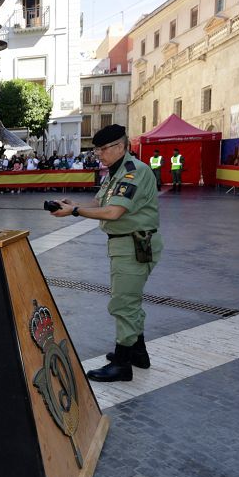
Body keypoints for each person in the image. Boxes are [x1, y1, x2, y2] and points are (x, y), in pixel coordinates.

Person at [50, 124, 162, 382]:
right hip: (125, 244)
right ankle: (138, 352)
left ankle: (123, 364)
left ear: (120, 147)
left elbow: (113, 213)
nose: (98, 154)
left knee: (123, 303)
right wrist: (72, 205)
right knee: (130, 300)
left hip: (134, 245)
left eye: (102, 149)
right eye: (96, 149)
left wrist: (75, 211)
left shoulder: (134, 173)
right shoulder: (116, 173)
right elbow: (100, 203)